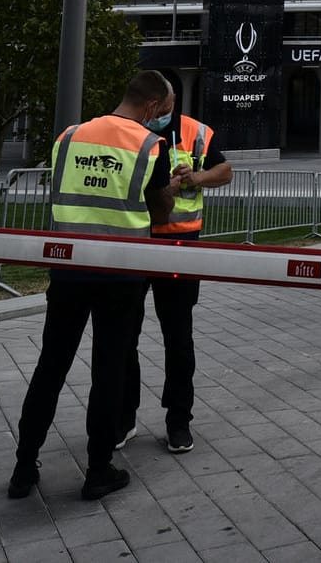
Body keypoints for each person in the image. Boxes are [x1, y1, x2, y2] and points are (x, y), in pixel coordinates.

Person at [9, 71, 177, 503]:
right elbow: (160, 214)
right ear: (154, 107)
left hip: (68, 270)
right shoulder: (149, 146)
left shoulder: (69, 138)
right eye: (166, 112)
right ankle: (98, 470)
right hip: (121, 274)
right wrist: (170, 188)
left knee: (51, 365)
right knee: (109, 368)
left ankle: (24, 467)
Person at [131, 107, 232, 455]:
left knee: (178, 337)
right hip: (135, 243)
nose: (163, 114)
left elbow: (225, 171)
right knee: (122, 335)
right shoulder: (128, 128)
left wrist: (197, 177)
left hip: (180, 245)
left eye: (169, 108)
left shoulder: (194, 131)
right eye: (160, 108)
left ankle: (178, 421)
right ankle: (121, 418)